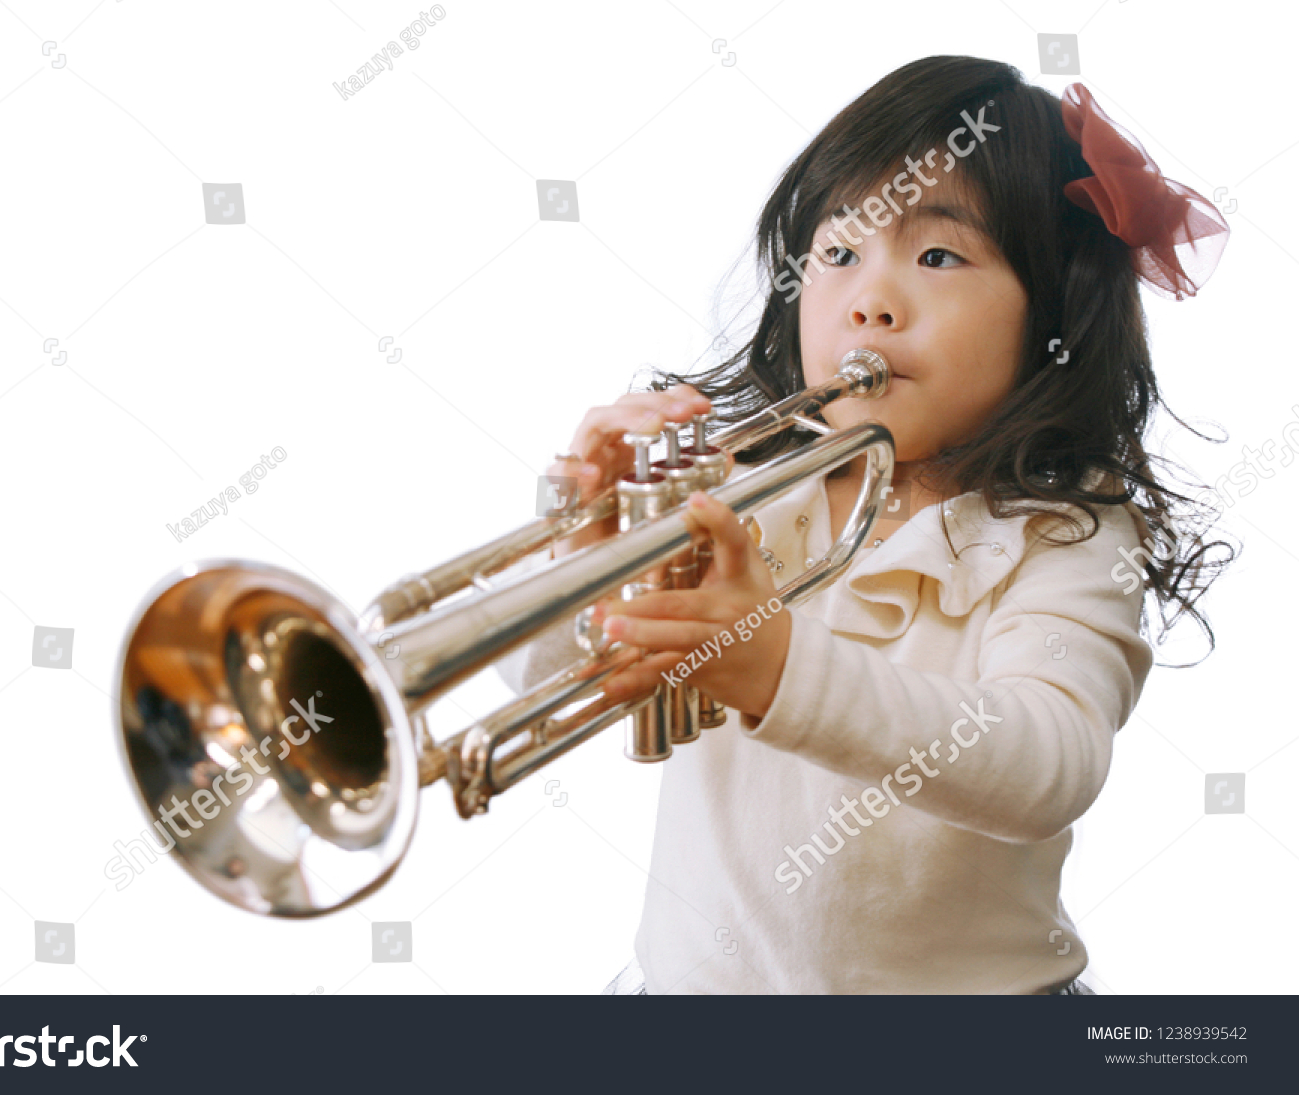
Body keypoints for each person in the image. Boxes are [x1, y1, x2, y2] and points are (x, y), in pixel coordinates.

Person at [494, 55, 1235, 994]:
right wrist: (585, 555)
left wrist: (780, 668)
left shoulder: (1066, 534)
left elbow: (1047, 760)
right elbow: (551, 684)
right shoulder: (748, 487)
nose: (868, 300)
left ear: (1052, 314)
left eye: (937, 256)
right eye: (837, 253)